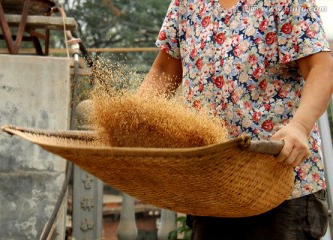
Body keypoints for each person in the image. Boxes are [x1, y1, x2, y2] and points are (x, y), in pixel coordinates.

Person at [138, 0, 333, 239]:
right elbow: (164, 71)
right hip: (212, 183)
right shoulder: (185, 4)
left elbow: (320, 69)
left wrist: (300, 126)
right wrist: (135, 119)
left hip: (280, 184)